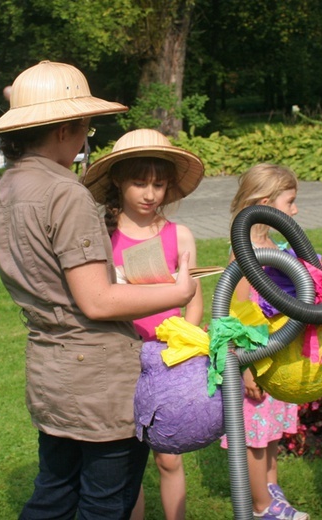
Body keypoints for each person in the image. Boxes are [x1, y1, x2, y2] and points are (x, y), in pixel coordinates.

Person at [0, 60, 197, 519]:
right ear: (65, 129)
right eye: (86, 128)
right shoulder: (66, 193)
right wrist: (178, 292)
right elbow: (97, 300)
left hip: (50, 370)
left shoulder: (5, 190)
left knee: (54, 495)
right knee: (106, 503)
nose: (85, 140)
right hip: (97, 379)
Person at [83, 128, 205, 520]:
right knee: (126, 460)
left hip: (168, 361)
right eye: (139, 183)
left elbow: (194, 300)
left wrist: (184, 346)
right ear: (118, 181)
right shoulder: (103, 237)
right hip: (120, 361)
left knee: (168, 458)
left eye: (159, 183)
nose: (150, 193)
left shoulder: (179, 236)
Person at [225, 163, 309, 520]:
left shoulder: (270, 243)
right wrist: (245, 370)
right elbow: (237, 314)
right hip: (253, 361)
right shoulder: (243, 251)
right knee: (255, 439)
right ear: (264, 203)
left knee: (270, 434)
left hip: (273, 355)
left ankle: (273, 494)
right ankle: (260, 506)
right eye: (289, 202)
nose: (295, 210)